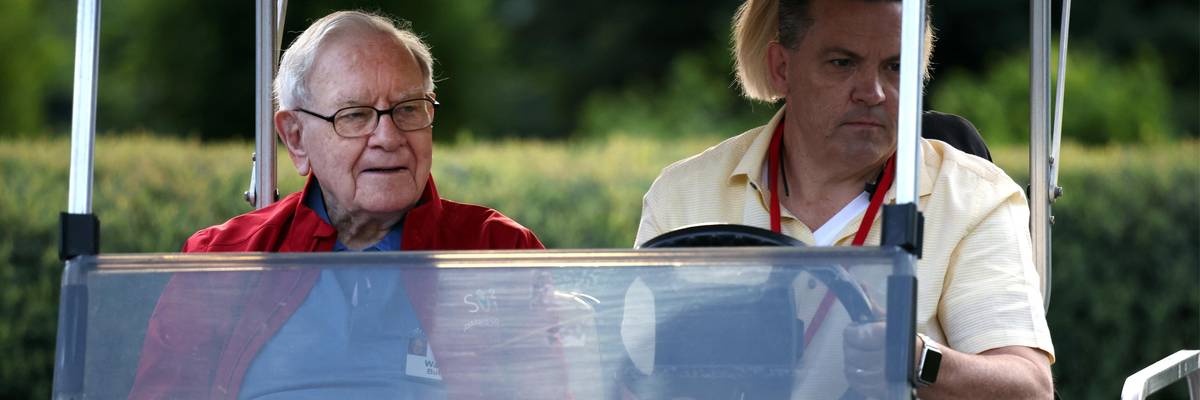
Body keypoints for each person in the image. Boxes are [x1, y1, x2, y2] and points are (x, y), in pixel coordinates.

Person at [129, 11, 565, 400]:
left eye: (408, 109)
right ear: (296, 138)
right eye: (354, 115)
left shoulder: (495, 250)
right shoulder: (224, 261)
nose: (388, 137)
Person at [630, 0, 1055, 398]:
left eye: (895, 67)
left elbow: (1030, 386)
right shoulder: (683, 194)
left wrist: (918, 358)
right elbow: (628, 372)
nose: (872, 92)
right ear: (781, 68)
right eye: (843, 63)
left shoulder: (973, 197)